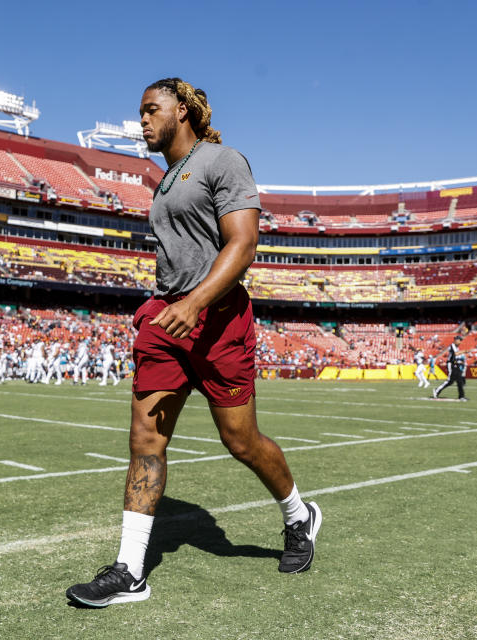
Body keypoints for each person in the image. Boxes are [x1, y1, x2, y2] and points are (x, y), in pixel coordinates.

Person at [66, 78, 321, 608]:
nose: (142, 120)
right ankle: (130, 571)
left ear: (182, 110)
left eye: (150, 109)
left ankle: (299, 515)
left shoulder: (222, 161)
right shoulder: (164, 181)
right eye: (139, 111)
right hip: (167, 318)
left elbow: (244, 242)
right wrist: (170, 307)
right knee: (145, 440)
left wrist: (196, 302)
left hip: (218, 319)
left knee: (241, 441)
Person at [433, 335, 467, 401]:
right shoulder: (452, 346)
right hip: (451, 364)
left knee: (459, 380)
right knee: (449, 381)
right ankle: (437, 390)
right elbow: (456, 354)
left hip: (455, 364)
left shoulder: (456, 347)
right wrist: (465, 351)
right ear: (456, 340)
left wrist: (460, 362)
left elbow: (457, 356)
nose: (460, 342)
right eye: (459, 340)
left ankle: (461, 396)